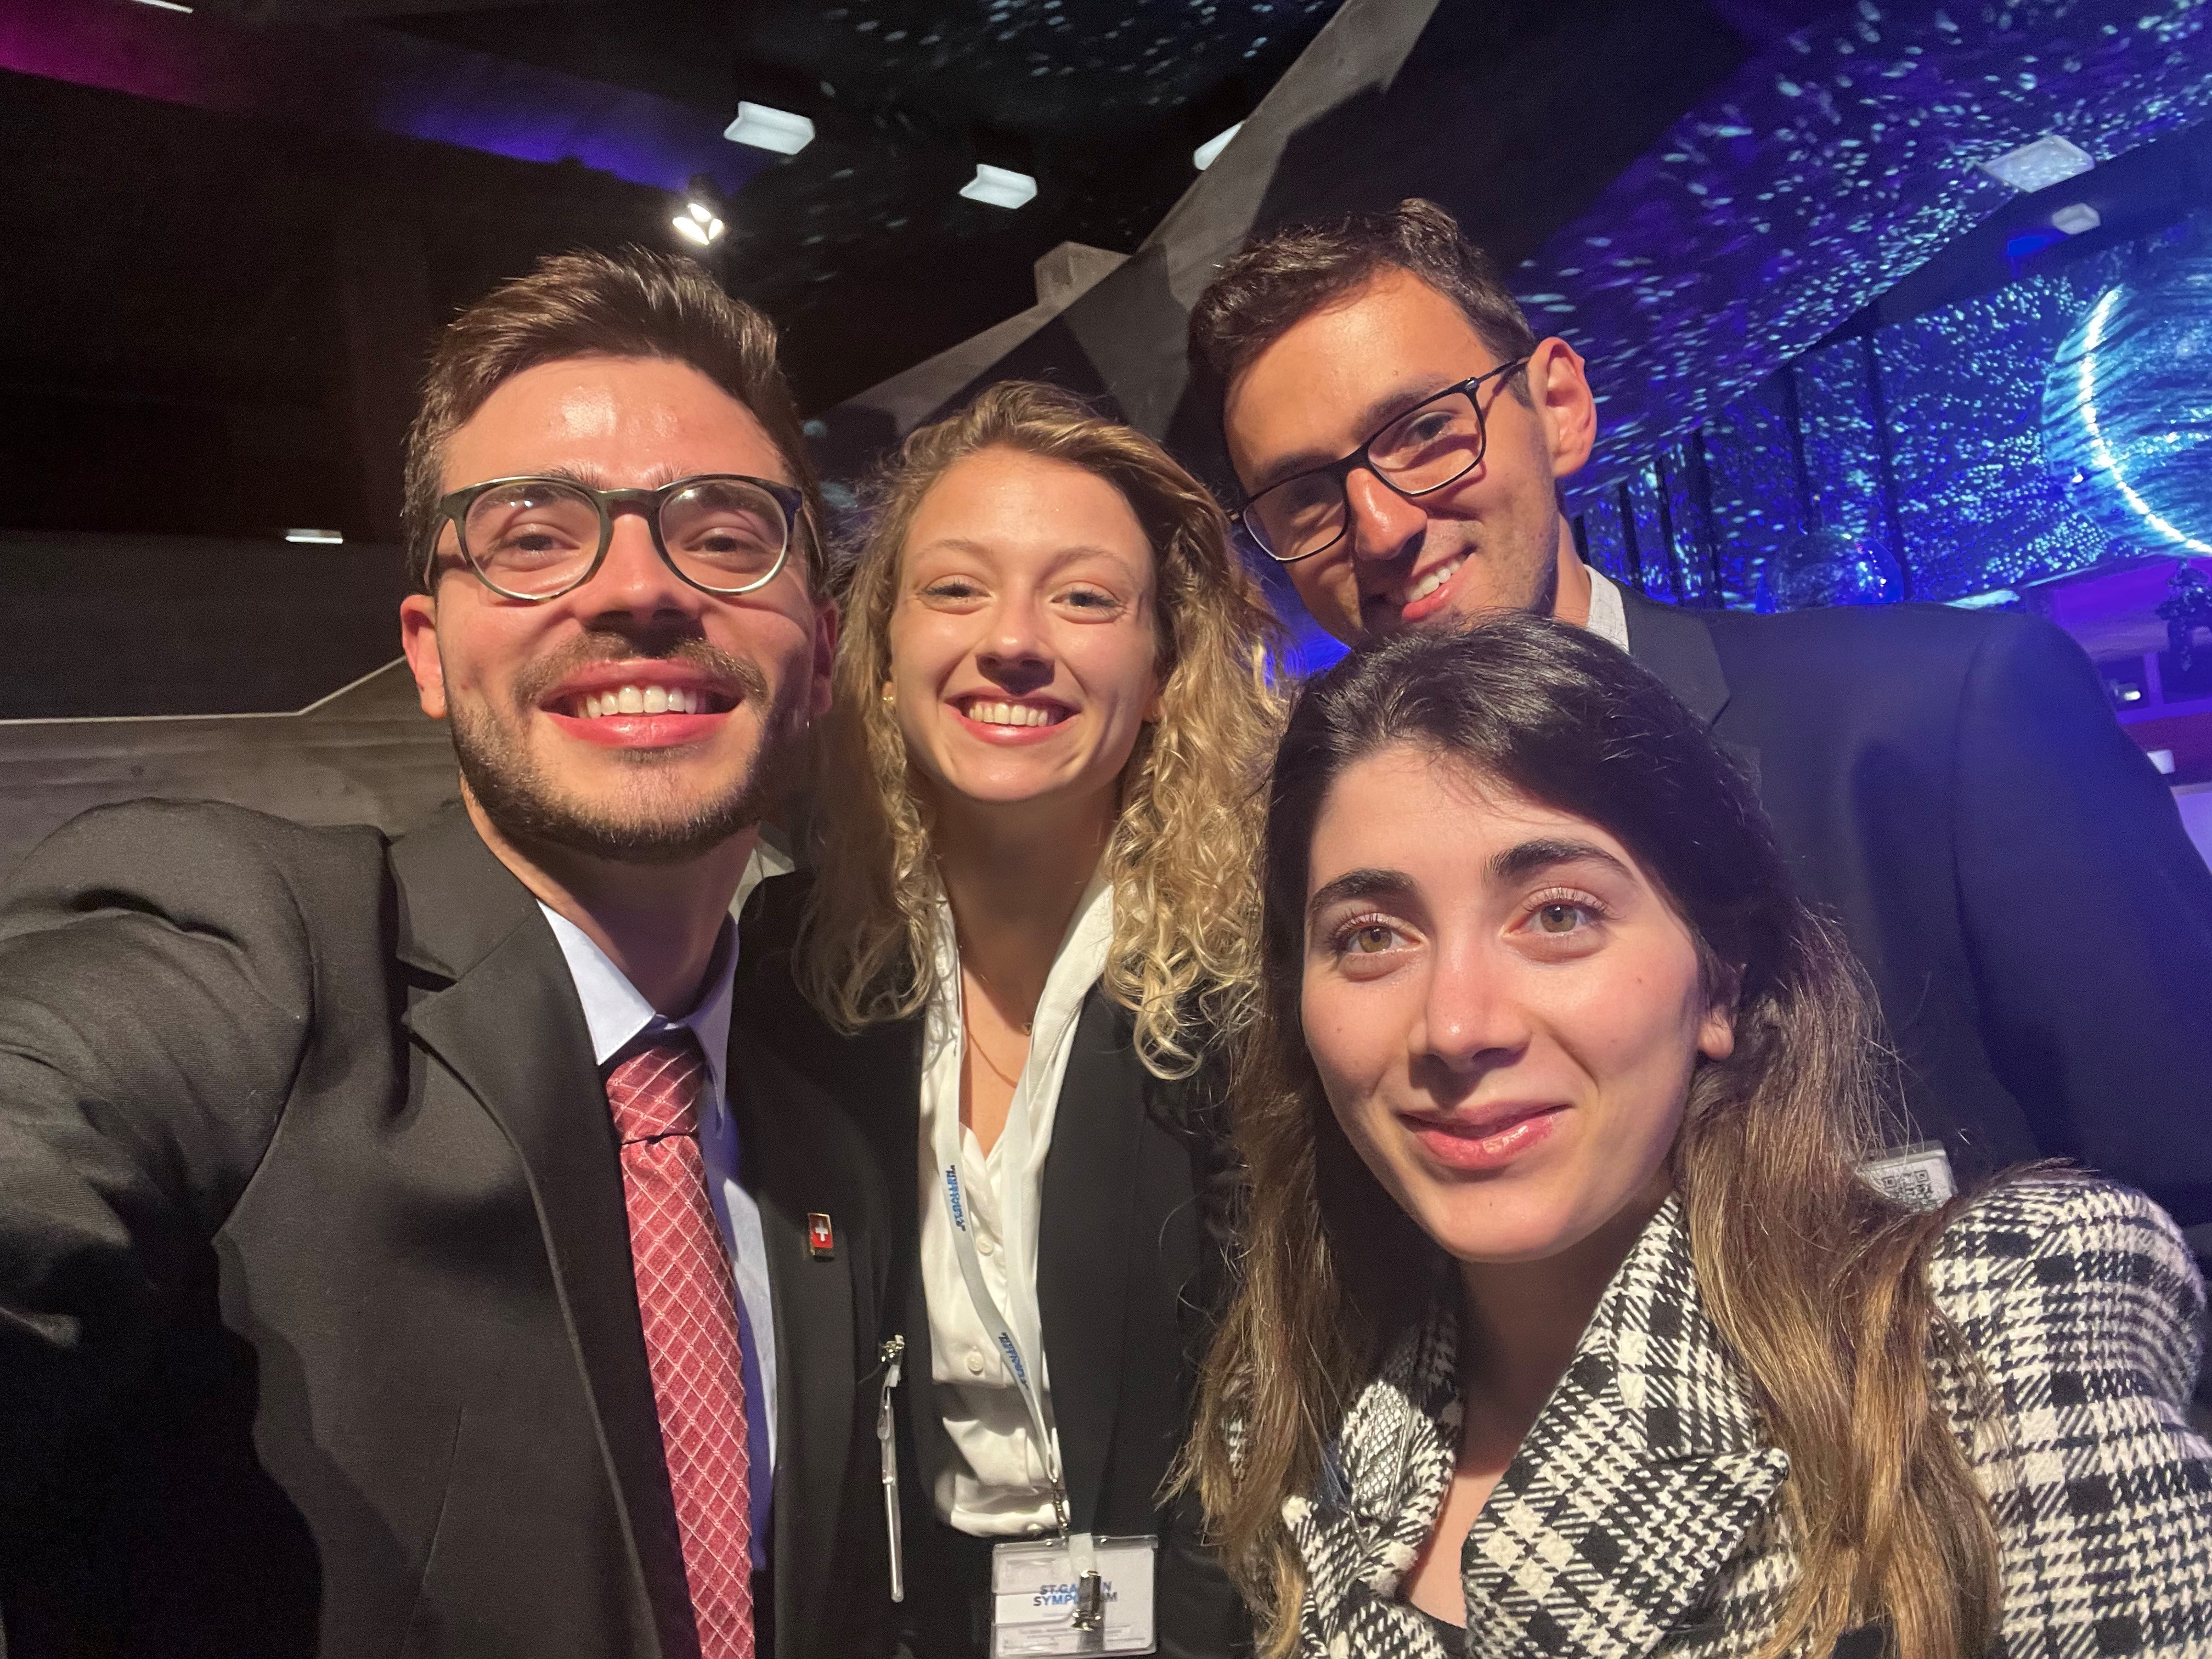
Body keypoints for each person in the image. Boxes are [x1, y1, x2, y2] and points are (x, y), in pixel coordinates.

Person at [0, 250, 905, 1658]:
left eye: (726, 535)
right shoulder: (248, 960)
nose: (638, 587)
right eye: (534, 536)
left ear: (824, 653)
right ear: (428, 650)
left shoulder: (823, 1137)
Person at [1183, 617, 2212, 1658]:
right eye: (1371, 936)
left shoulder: (1983, 1342)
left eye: (1558, 916)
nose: (1455, 1027)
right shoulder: (1292, 1420)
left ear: (1720, 980)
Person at [1188, 198, 2212, 1229]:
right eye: (1304, 495)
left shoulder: (1943, 718)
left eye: (1424, 432)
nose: (1379, 527)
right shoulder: (1317, 864)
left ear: (1559, 409)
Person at [737, 381, 1280, 1657]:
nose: (1015, 642)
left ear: (1163, 671)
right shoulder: (787, 965)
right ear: (882, 655)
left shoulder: (1252, 977)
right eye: (956, 588)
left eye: (1084, 598)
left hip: (1179, 1617)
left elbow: (1268, 1413)